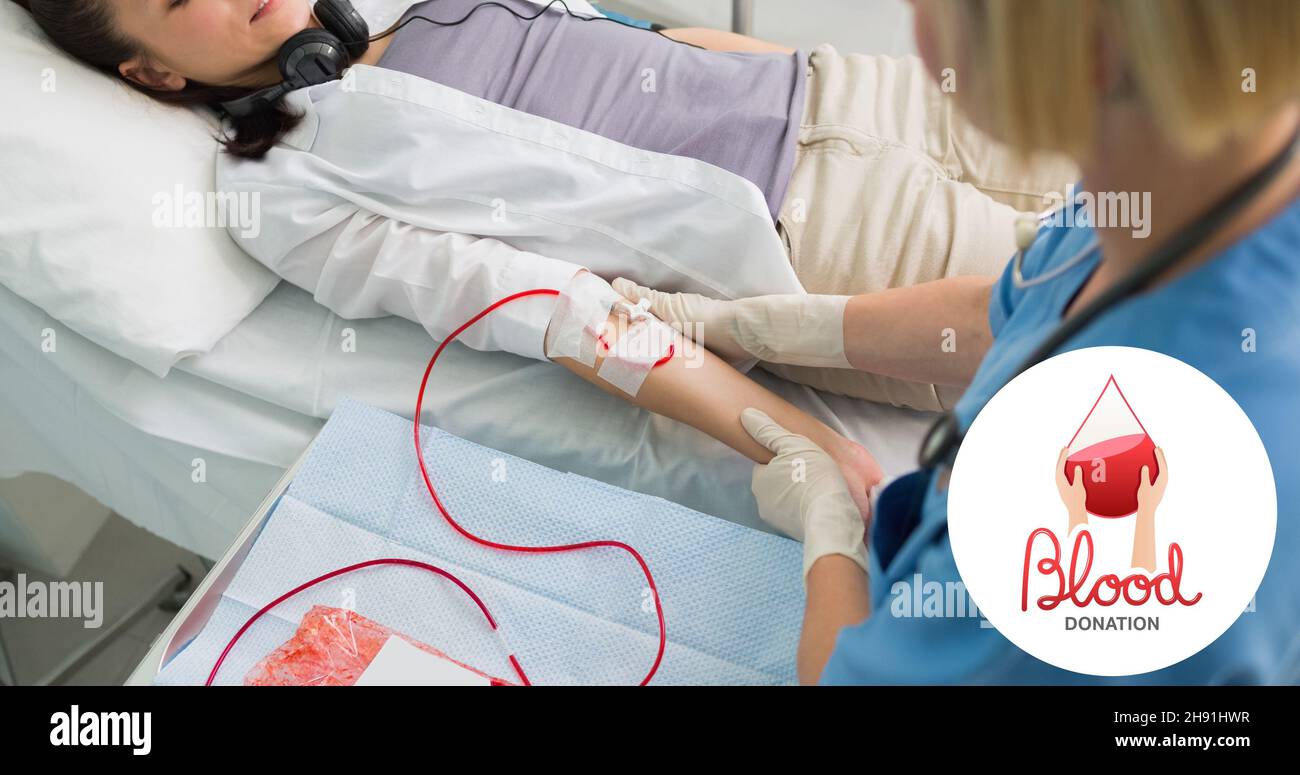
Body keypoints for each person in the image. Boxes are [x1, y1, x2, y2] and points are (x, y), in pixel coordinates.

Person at [20, 0, 1075, 518]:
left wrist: (814, 70)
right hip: (831, 228)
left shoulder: (415, 9)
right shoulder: (290, 185)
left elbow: (648, 37)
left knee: (1213, 193)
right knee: (1147, 321)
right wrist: (801, 448)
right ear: (151, 72)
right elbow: (551, 310)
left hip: (869, 98)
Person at [617, 0, 1300, 684]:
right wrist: (762, 325)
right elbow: (1012, 308)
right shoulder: (1194, 175)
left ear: (1088, 51)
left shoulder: (1092, 555)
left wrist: (831, 531)